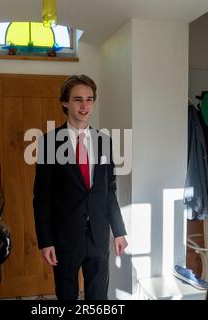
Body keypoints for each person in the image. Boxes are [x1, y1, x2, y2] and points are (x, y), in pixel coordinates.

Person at [33, 74, 128, 300]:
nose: (85, 106)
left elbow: (110, 190)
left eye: (89, 99)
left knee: (98, 298)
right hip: (65, 236)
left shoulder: (104, 141)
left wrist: (119, 230)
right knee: (67, 296)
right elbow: (42, 197)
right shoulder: (48, 143)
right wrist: (46, 240)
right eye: (78, 99)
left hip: (98, 234)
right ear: (65, 102)